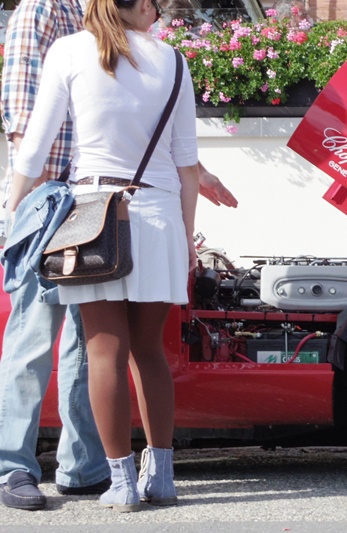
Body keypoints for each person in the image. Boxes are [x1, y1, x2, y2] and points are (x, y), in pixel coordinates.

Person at [0, 0, 235, 512]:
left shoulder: (70, 51)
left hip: (92, 218)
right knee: (148, 351)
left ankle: (122, 482)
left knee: (104, 351)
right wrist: (187, 236)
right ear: (144, 6)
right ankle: (163, 477)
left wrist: (12, 211)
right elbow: (187, 162)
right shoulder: (174, 60)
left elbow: (34, 147)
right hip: (159, 216)